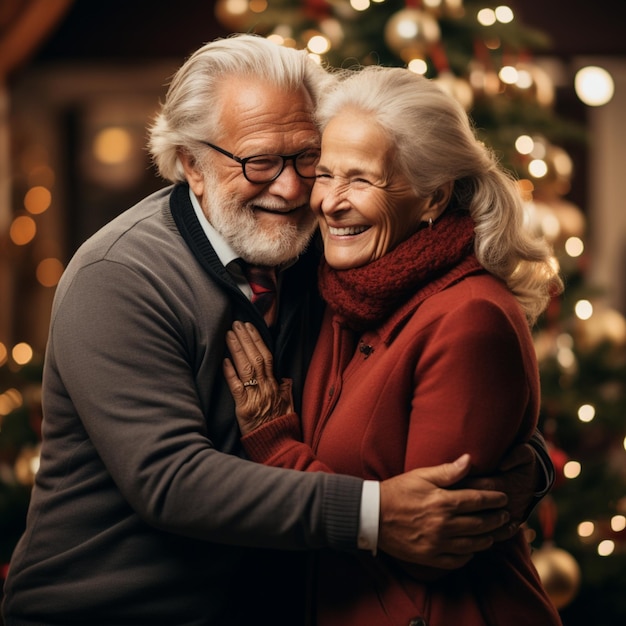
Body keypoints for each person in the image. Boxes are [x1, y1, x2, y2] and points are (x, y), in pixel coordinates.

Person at [3, 35, 551, 626]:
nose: (292, 190)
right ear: (192, 163)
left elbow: (450, 373)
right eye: (260, 162)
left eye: (307, 158)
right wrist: (375, 514)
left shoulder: (322, 251)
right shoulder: (120, 276)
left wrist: (520, 472)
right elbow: (171, 479)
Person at [223, 65, 564, 625]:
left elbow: (430, 546)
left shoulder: (470, 318)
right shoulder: (339, 290)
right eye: (325, 174)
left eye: (360, 180)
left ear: (433, 196)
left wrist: (274, 442)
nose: (329, 203)